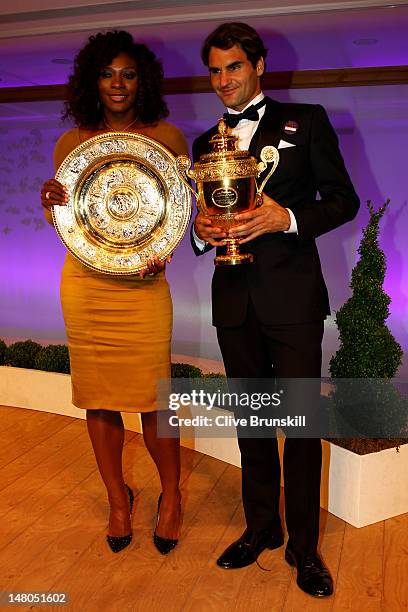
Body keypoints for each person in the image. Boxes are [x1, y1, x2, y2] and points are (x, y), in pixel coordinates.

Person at [191, 22, 359, 597]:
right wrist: (201, 230)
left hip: (292, 298)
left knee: (301, 425)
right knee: (253, 424)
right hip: (232, 298)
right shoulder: (203, 143)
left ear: (258, 66)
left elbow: (343, 200)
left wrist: (284, 217)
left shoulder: (306, 121)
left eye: (233, 67)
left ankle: (305, 548)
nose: (223, 81)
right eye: (215, 70)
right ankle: (261, 527)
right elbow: (204, 218)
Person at [41, 30, 188, 555]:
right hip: (85, 286)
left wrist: (167, 244)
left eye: (127, 73)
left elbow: (179, 215)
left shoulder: (167, 137)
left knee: (154, 400)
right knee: (99, 400)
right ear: (92, 82)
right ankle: (118, 500)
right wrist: (51, 201)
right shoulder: (71, 143)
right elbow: (71, 222)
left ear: (142, 79)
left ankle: (171, 498)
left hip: (145, 285)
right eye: (107, 74)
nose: (118, 83)